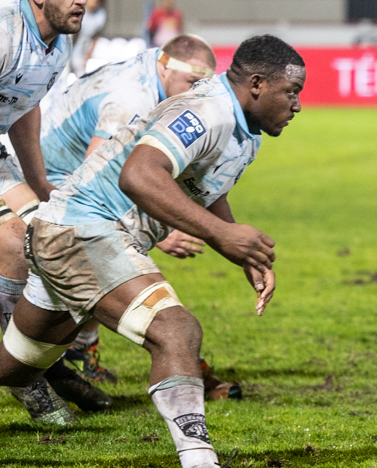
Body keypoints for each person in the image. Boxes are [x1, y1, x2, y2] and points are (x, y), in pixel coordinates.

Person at [0, 34, 303, 468]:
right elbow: (138, 175)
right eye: (292, 92)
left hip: (72, 233)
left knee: (14, 369)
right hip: (83, 231)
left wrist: (237, 248)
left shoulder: (244, 131)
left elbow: (207, 187)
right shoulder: (206, 111)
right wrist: (222, 235)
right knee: (176, 331)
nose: (298, 104)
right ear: (258, 84)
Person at [42, 35, 235, 399]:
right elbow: (100, 175)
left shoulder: (154, 73)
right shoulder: (132, 98)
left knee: (97, 265)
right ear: (165, 67)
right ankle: (183, 362)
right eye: (192, 84)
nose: (197, 94)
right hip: (48, 186)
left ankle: (75, 354)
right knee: (112, 256)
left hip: (62, 185)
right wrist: (163, 235)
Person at [0, 0, 94, 426]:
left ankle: (39, 365)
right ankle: (26, 382)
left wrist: (37, 182)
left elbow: (24, 104)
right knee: (16, 243)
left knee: (48, 238)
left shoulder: (59, 42)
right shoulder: (4, 34)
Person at [69, 0, 106, 77]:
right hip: (71, 48)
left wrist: (87, 57)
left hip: (83, 52)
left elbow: (95, 38)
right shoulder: (78, 12)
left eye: (96, 1)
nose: (94, 3)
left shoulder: (100, 15)